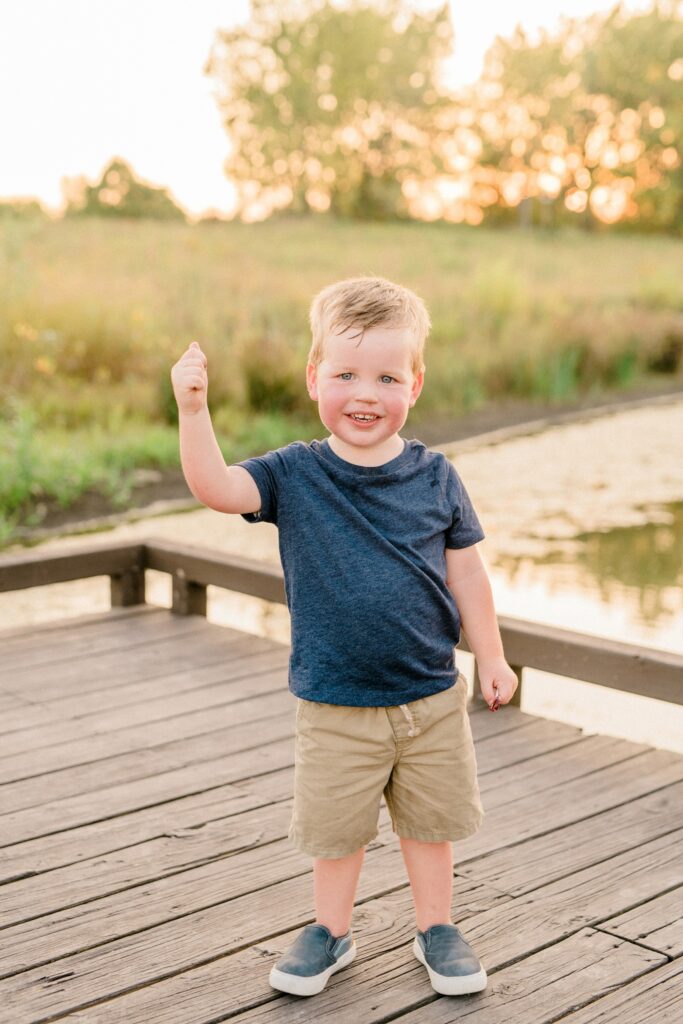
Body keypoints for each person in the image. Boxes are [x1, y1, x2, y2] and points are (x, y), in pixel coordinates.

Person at [171, 275, 518, 999]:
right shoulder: (294, 473)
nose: (366, 394)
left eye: (388, 377)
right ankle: (330, 931)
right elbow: (217, 489)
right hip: (334, 701)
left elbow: (467, 574)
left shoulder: (436, 477)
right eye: (346, 375)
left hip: (429, 698)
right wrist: (194, 410)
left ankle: (436, 927)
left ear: (414, 384)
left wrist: (491, 655)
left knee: (430, 826)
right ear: (314, 378)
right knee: (335, 832)